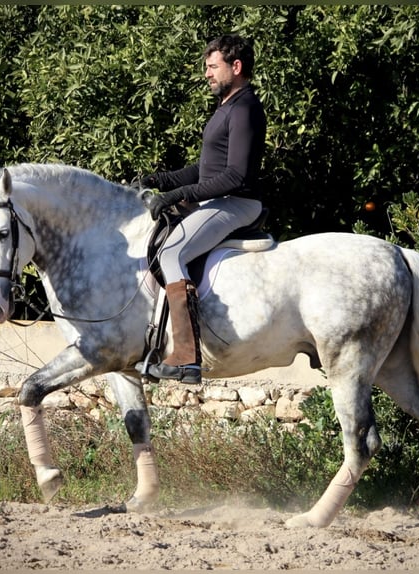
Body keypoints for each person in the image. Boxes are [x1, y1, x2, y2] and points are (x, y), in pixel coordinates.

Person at [138, 34, 267, 384]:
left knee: (171, 252)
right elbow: (205, 169)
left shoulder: (245, 108)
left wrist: (180, 193)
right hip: (219, 199)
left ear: (235, 67)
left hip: (237, 203)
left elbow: (235, 175)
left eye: (213, 67)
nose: (207, 74)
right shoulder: (226, 107)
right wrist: (161, 180)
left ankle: (186, 357)